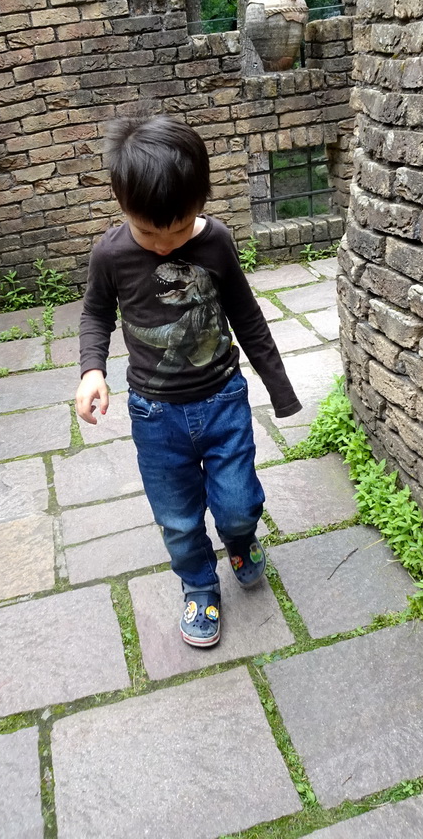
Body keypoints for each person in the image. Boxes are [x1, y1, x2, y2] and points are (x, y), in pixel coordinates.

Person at [76, 114, 301, 647]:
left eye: (177, 230)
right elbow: (94, 315)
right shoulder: (110, 255)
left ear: (201, 203)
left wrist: (280, 388)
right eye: (148, 231)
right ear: (121, 204)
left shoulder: (217, 243)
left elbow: (247, 316)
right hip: (156, 416)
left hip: (223, 400)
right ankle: (199, 586)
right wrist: (91, 371)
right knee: (177, 517)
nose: (162, 244)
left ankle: (241, 540)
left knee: (239, 501)